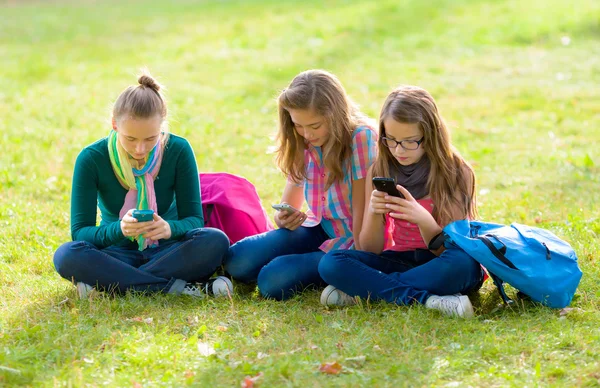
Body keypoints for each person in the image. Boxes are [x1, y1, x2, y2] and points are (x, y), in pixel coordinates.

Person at [53, 71, 232, 299]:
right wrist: (120, 229)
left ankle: (112, 286)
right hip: (116, 254)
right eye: (131, 139)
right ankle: (176, 288)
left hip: (169, 251)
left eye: (150, 139)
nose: (140, 149)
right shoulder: (91, 159)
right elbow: (80, 233)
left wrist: (168, 229)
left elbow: (194, 220)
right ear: (114, 125)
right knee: (67, 255)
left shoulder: (178, 150)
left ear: (162, 127)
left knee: (215, 241)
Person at [318, 85, 485, 317]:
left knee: (463, 266)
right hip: (400, 259)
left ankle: (367, 290)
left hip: (442, 260)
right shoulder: (379, 169)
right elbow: (370, 249)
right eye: (392, 140)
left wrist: (424, 221)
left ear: (431, 136)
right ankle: (429, 300)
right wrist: (375, 213)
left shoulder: (456, 172)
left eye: (410, 141)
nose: (399, 150)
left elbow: (452, 247)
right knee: (332, 262)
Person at [224, 69, 378, 300]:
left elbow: (361, 211)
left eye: (315, 126)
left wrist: (354, 262)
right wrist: (283, 218)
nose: (307, 134)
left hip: (352, 238)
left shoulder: (361, 138)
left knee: (271, 281)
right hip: (319, 227)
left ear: (334, 116)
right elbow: (290, 203)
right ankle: (301, 261)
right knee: (236, 261)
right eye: (299, 125)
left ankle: (321, 269)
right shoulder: (303, 140)